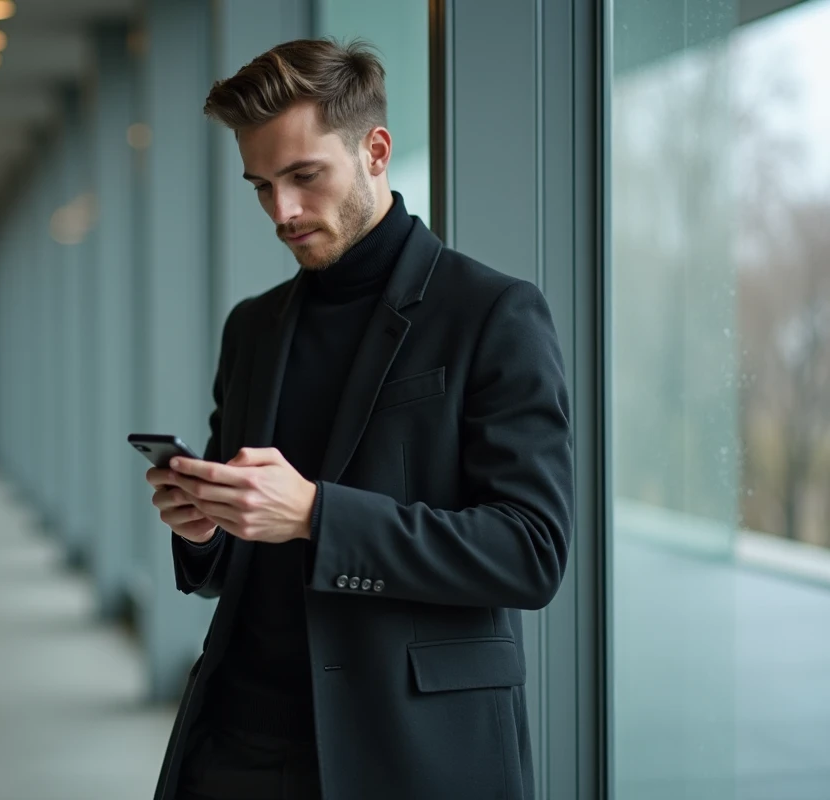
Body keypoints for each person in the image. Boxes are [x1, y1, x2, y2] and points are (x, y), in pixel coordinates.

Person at [145, 38, 572, 800]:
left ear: (376, 150)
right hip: (237, 746)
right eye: (262, 186)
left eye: (305, 177)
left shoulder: (491, 313)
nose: (283, 211)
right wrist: (204, 529)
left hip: (409, 751)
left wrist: (316, 514)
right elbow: (243, 547)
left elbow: (530, 550)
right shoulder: (253, 327)